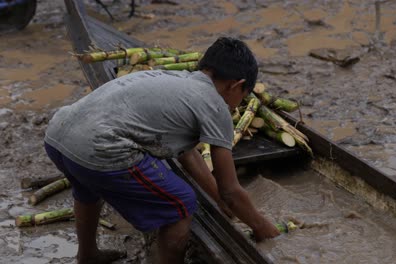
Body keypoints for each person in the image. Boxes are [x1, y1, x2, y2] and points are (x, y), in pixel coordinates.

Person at [44, 37, 280, 264]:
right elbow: (232, 191)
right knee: (181, 203)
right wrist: (264, 229)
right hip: (98, 147)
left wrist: (218, 201)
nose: (238, 103)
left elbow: (189, 155)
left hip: (58, 135)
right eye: (243, 97)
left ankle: (87, 256)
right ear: (236, 85)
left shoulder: (173, 78)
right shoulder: (215, 105)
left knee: (86, 188)